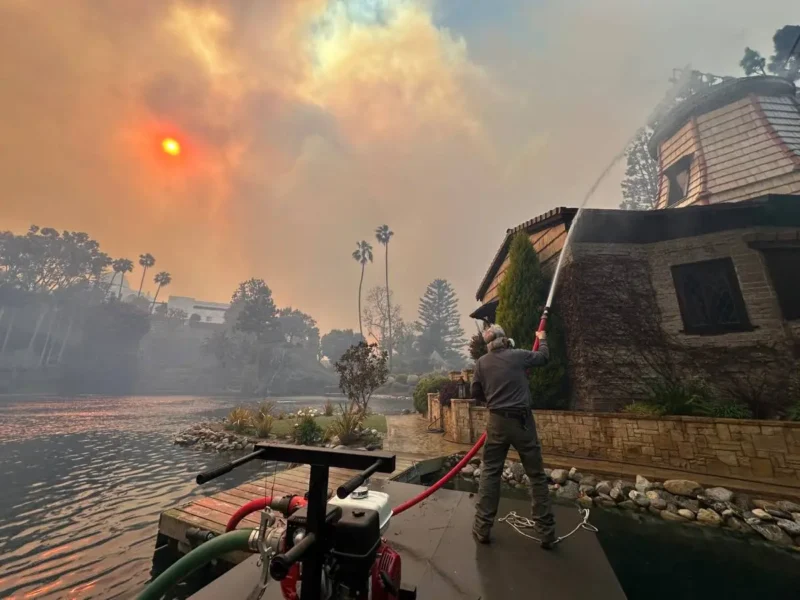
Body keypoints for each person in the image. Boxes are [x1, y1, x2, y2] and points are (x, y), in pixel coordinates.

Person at [470, 324, 556, 548]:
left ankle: (482, 529)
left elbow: (475, 393)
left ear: (488, 344)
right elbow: (543, 357)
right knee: (536, 476)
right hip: (523, 422)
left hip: (496, 421)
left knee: (490, 473)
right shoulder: (518, 356)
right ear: (504, 339)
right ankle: (546, 534)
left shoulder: (481, 363)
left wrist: (493, 396)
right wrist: (542, 337)